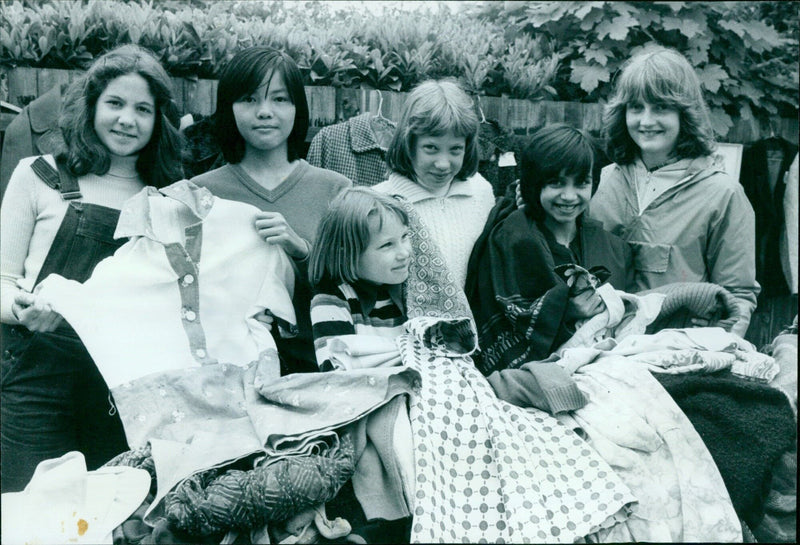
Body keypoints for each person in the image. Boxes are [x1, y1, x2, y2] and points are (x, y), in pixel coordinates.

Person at [307, 187, 634, 544]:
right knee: (408, 450)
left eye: (405, 238)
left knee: (490, 431)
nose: (404, 253)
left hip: (429, 394)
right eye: (386, 246)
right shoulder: (334, 300)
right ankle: (406, 522)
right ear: (348, 253)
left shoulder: (405, 291)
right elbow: (340, 368)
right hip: (384, 402)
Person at [0, 44, 184, 492]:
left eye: (143, 109)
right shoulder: (39, 175)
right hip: (35, 388)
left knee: (111, 521)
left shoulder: (169, 199)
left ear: (159, 120)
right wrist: (20, 308)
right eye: (115, 104)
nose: (127, 120)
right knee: (30, 518)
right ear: (92, 106)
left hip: (122, 396)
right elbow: (1, 281)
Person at [190, 46, 352, 375]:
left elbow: (359, 289)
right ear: (228, 108)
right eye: (250, 99)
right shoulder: (200, 193)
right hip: (228, 374)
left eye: (280, 99)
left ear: (298, 108)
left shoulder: (336, 189)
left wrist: (302, 251)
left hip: (322, 373)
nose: (265, 111)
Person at [588, 46, 759, 337]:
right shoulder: (600, 180)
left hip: (674, 355)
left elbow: (737, 298)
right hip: (599, 352)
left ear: (686, 113)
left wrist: (716, 335)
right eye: (636, 107)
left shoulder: (723, 194)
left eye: (661, 107)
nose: (646, 121)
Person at [466, 123, 634, 373]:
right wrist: (563, 310)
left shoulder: (613, 249)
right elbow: (502, 321)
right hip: (530, 379)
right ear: (535, 183)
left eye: (581, 183)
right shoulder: (511, 239)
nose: (569, 196)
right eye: (556, 183)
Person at [372, 79, 495, 288]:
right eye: (431, 148)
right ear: (408, 143)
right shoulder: (380, 200)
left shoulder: (481, 192)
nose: (443, 164)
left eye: (455, 149)